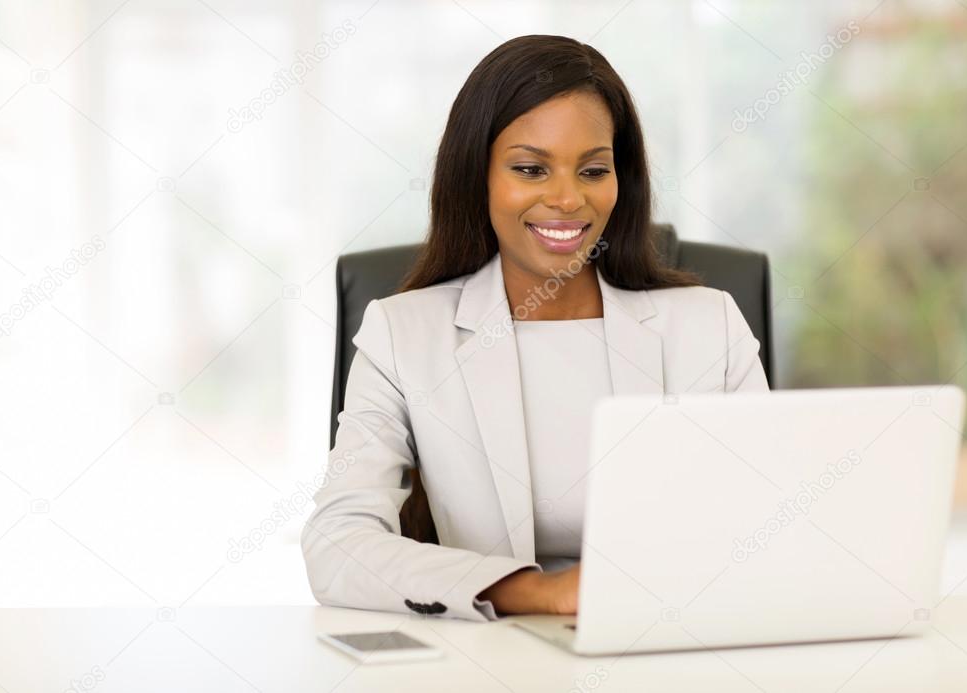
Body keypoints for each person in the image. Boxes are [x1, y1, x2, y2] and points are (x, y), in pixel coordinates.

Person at [301, 34, 769, 622]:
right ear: (480, 177)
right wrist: (537, 593)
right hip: (490, 657)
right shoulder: (403, 335)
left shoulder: (710, 326)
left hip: (674, 647)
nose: (568, 198)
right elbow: (338, 545)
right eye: (531, 168)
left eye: (593, 170)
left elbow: (769, 524)